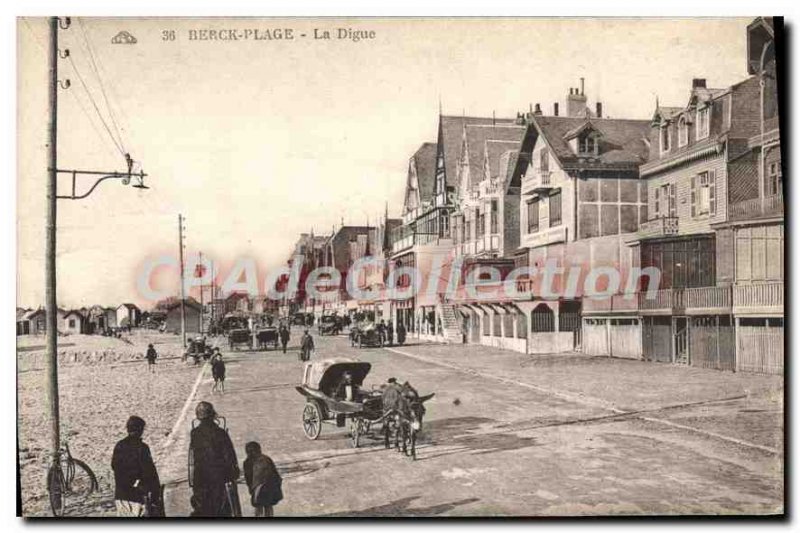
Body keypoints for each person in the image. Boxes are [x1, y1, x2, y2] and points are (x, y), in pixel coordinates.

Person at [189, 402, 240, 517]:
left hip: (200, 478)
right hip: (219, 477)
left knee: (203, 509)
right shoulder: (220, 433)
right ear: (212, 415)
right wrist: (233, 473)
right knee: (223, 509)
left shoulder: (194, 433)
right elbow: (229, 456)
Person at [111, 416, 162, 517]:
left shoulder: (119, 445)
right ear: (140, 430)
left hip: (121, 495)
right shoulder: (142, 448)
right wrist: (156, 493)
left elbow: (114, 466)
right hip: (138, 497)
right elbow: (149, 472)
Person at [243, 442, 283, 517]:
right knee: (268, 506)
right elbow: (276, 476)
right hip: (270, 488)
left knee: (258, 506)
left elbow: (248, 479)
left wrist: (251, 490)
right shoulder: (267, 459)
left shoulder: (247, 463)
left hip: (258, 489)